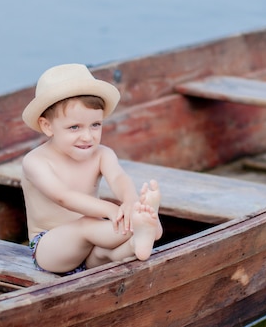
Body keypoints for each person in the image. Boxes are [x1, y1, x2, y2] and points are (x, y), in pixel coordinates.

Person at [21, 63, 163, 275]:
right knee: (87, 224)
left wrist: (130, 199)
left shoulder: (102, 154)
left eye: (95, 125)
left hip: (90, 249)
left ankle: (137, 241)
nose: (88, 136)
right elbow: (64, 197)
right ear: (47, 126)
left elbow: (118, 178)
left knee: (107, 254)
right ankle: (144, 224)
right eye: (74, 127)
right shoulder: (36, 161)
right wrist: (111, 209)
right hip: (50, 248)